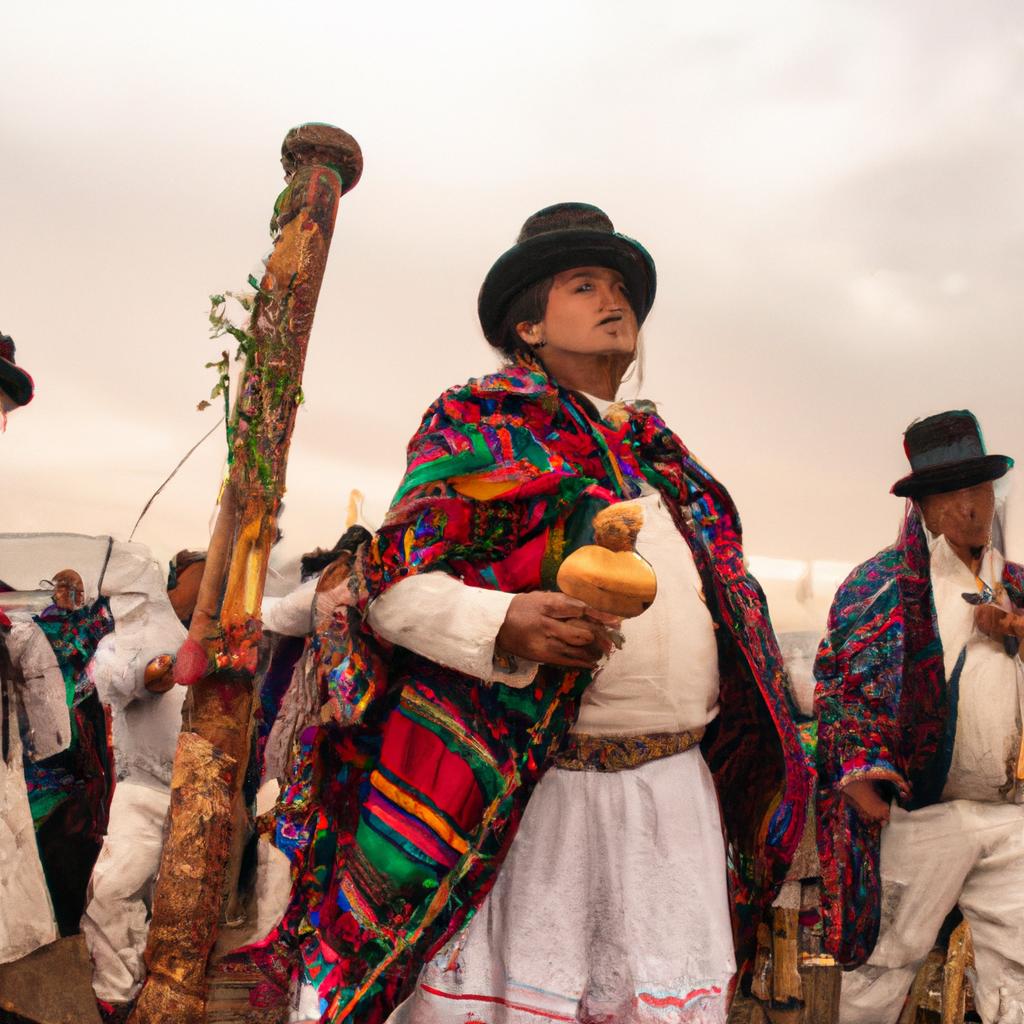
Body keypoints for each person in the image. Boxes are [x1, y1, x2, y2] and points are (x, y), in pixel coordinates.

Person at [253, 203, 811, 1024]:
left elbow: (734, 612)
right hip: (531, 794)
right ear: (529, 325)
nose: (613, 300)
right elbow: (393, 587)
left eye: (620, 286)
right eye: (583, 285)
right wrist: (502, 625)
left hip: (671, 801)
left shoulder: (666, 460)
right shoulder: (476, 423)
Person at [814, 409, 1024, 1024]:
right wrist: (858, 772)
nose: (969, 508)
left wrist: (1012, 624)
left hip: (1012, 814)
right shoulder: (878, 587)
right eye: (950, 494)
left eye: (979, 490)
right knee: (883, 966)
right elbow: (840, 684)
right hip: (921, 816)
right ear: (923, 506)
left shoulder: (1013, 585)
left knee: (1017, 971)